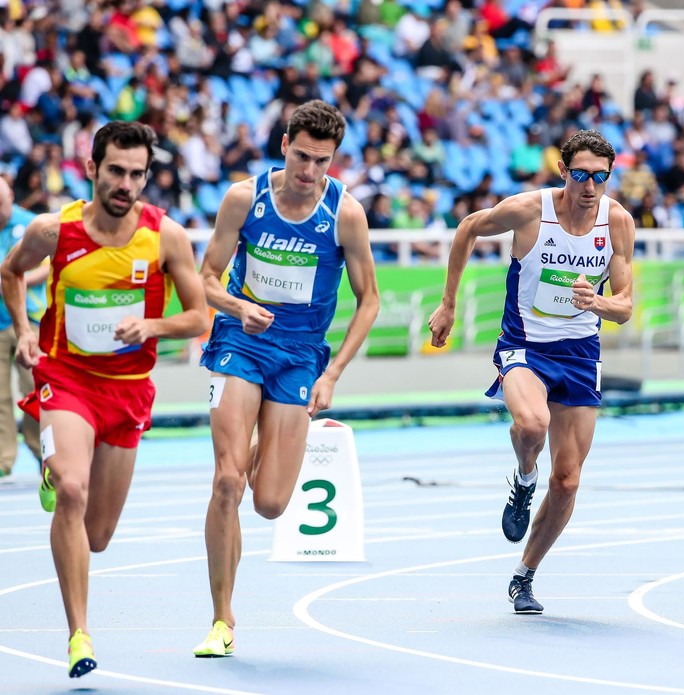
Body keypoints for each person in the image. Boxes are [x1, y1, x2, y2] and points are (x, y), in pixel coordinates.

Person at [0, 121, 210, 678]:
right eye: (115, 170)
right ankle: (79, 635)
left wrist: (152, 326)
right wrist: (23, 329)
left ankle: (56, 473)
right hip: (66, 379)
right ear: (92, 169)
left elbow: (198, 318)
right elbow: (10, 272)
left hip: (127, 391)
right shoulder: (53, 231)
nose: (126, 183)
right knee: (72, 487)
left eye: (137, 174)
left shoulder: (166, 237)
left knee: (97, 536)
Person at [194, 99, 380, 656]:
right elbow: (204, 278)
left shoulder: (345, 214)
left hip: (301, 356)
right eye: (301, 157)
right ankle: (222, 618)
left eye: (322, 162)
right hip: (240, 343)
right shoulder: (243, 199)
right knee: (228, 480)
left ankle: (256, 439)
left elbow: (369, 300)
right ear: (283, 146)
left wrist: (334, 374)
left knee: (271, 502)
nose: (309, 172)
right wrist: (235, 306)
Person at [428, 130, 635, 614]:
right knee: (532, 424)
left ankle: (525, 575)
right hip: (524, 345)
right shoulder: (528, 210)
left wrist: (598, 302)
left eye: (600, 177)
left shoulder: (617, 221)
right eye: (580, 174)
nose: (589, 186)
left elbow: (624, 307)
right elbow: (467, 229)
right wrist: (448, 305)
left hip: (581, 352)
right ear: (563, 171)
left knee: (567, 480)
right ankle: (524, 478)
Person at [0, 177, 45, 474]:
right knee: (0, 396)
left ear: (11, 196)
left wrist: (17, 279)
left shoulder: (33, 224)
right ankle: (3, 460)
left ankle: (46, 456)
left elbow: (49, 264)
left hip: (29, 322)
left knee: (37, 392)